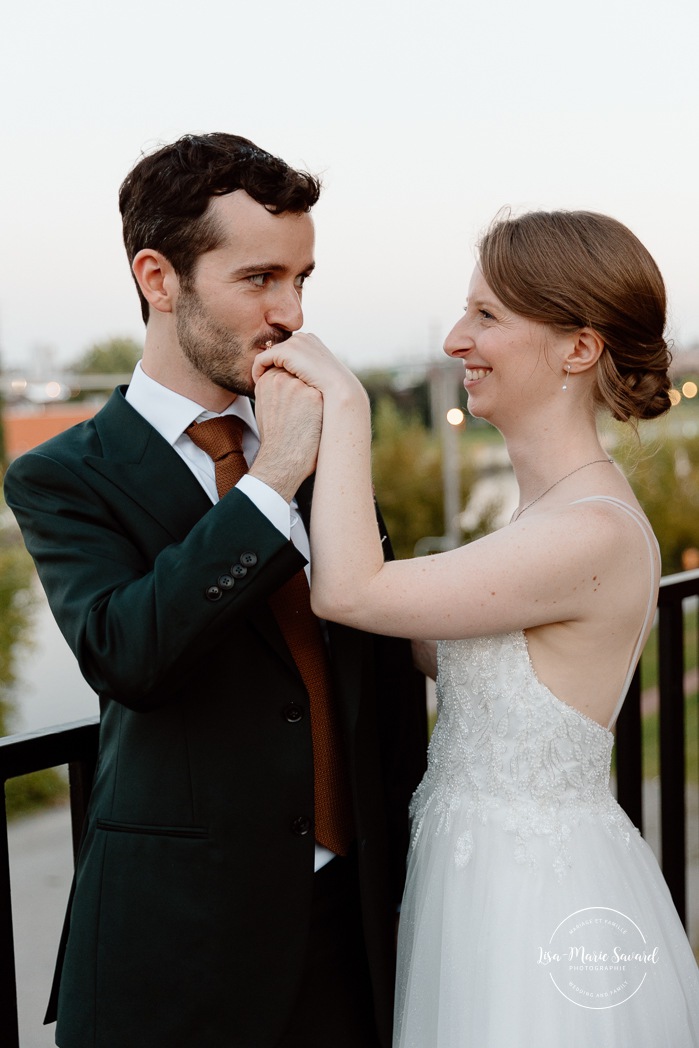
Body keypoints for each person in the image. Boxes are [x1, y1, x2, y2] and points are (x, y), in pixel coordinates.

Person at [3, 133, 427, 1048]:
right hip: (180, 950)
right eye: (260, 279)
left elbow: (373, 642)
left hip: (354, 925)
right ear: (159, 278)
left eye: (303, 279)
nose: (291, 313)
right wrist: (271, 480)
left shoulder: (315, 427)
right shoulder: (63, 476)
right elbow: (126, 653)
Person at [252, 209, 699, 1046]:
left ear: (578, 348)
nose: (456, 338)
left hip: (534, 906)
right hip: (472, 882)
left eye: (487, 315)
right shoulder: (547, 515)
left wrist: (345, 405)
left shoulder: (589, 531)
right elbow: (434, 641)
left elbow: (350, 592)